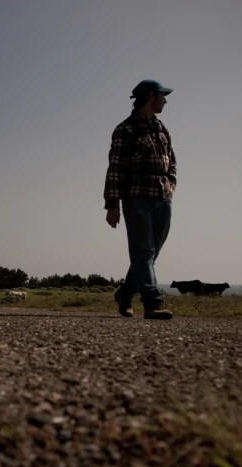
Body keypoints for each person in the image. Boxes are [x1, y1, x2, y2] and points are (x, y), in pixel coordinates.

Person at [104, 80, 177, 320]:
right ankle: (153, 302)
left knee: (150, 253)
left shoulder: (161, 128)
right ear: (150, 96)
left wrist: (171, 185)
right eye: (162, 96)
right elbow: (116, 168)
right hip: (136, 197)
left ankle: (125, 293)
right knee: (143, 251)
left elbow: (172, 161)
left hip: (162, 198)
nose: (165, 100)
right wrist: (112, 205)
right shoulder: (125, 129)